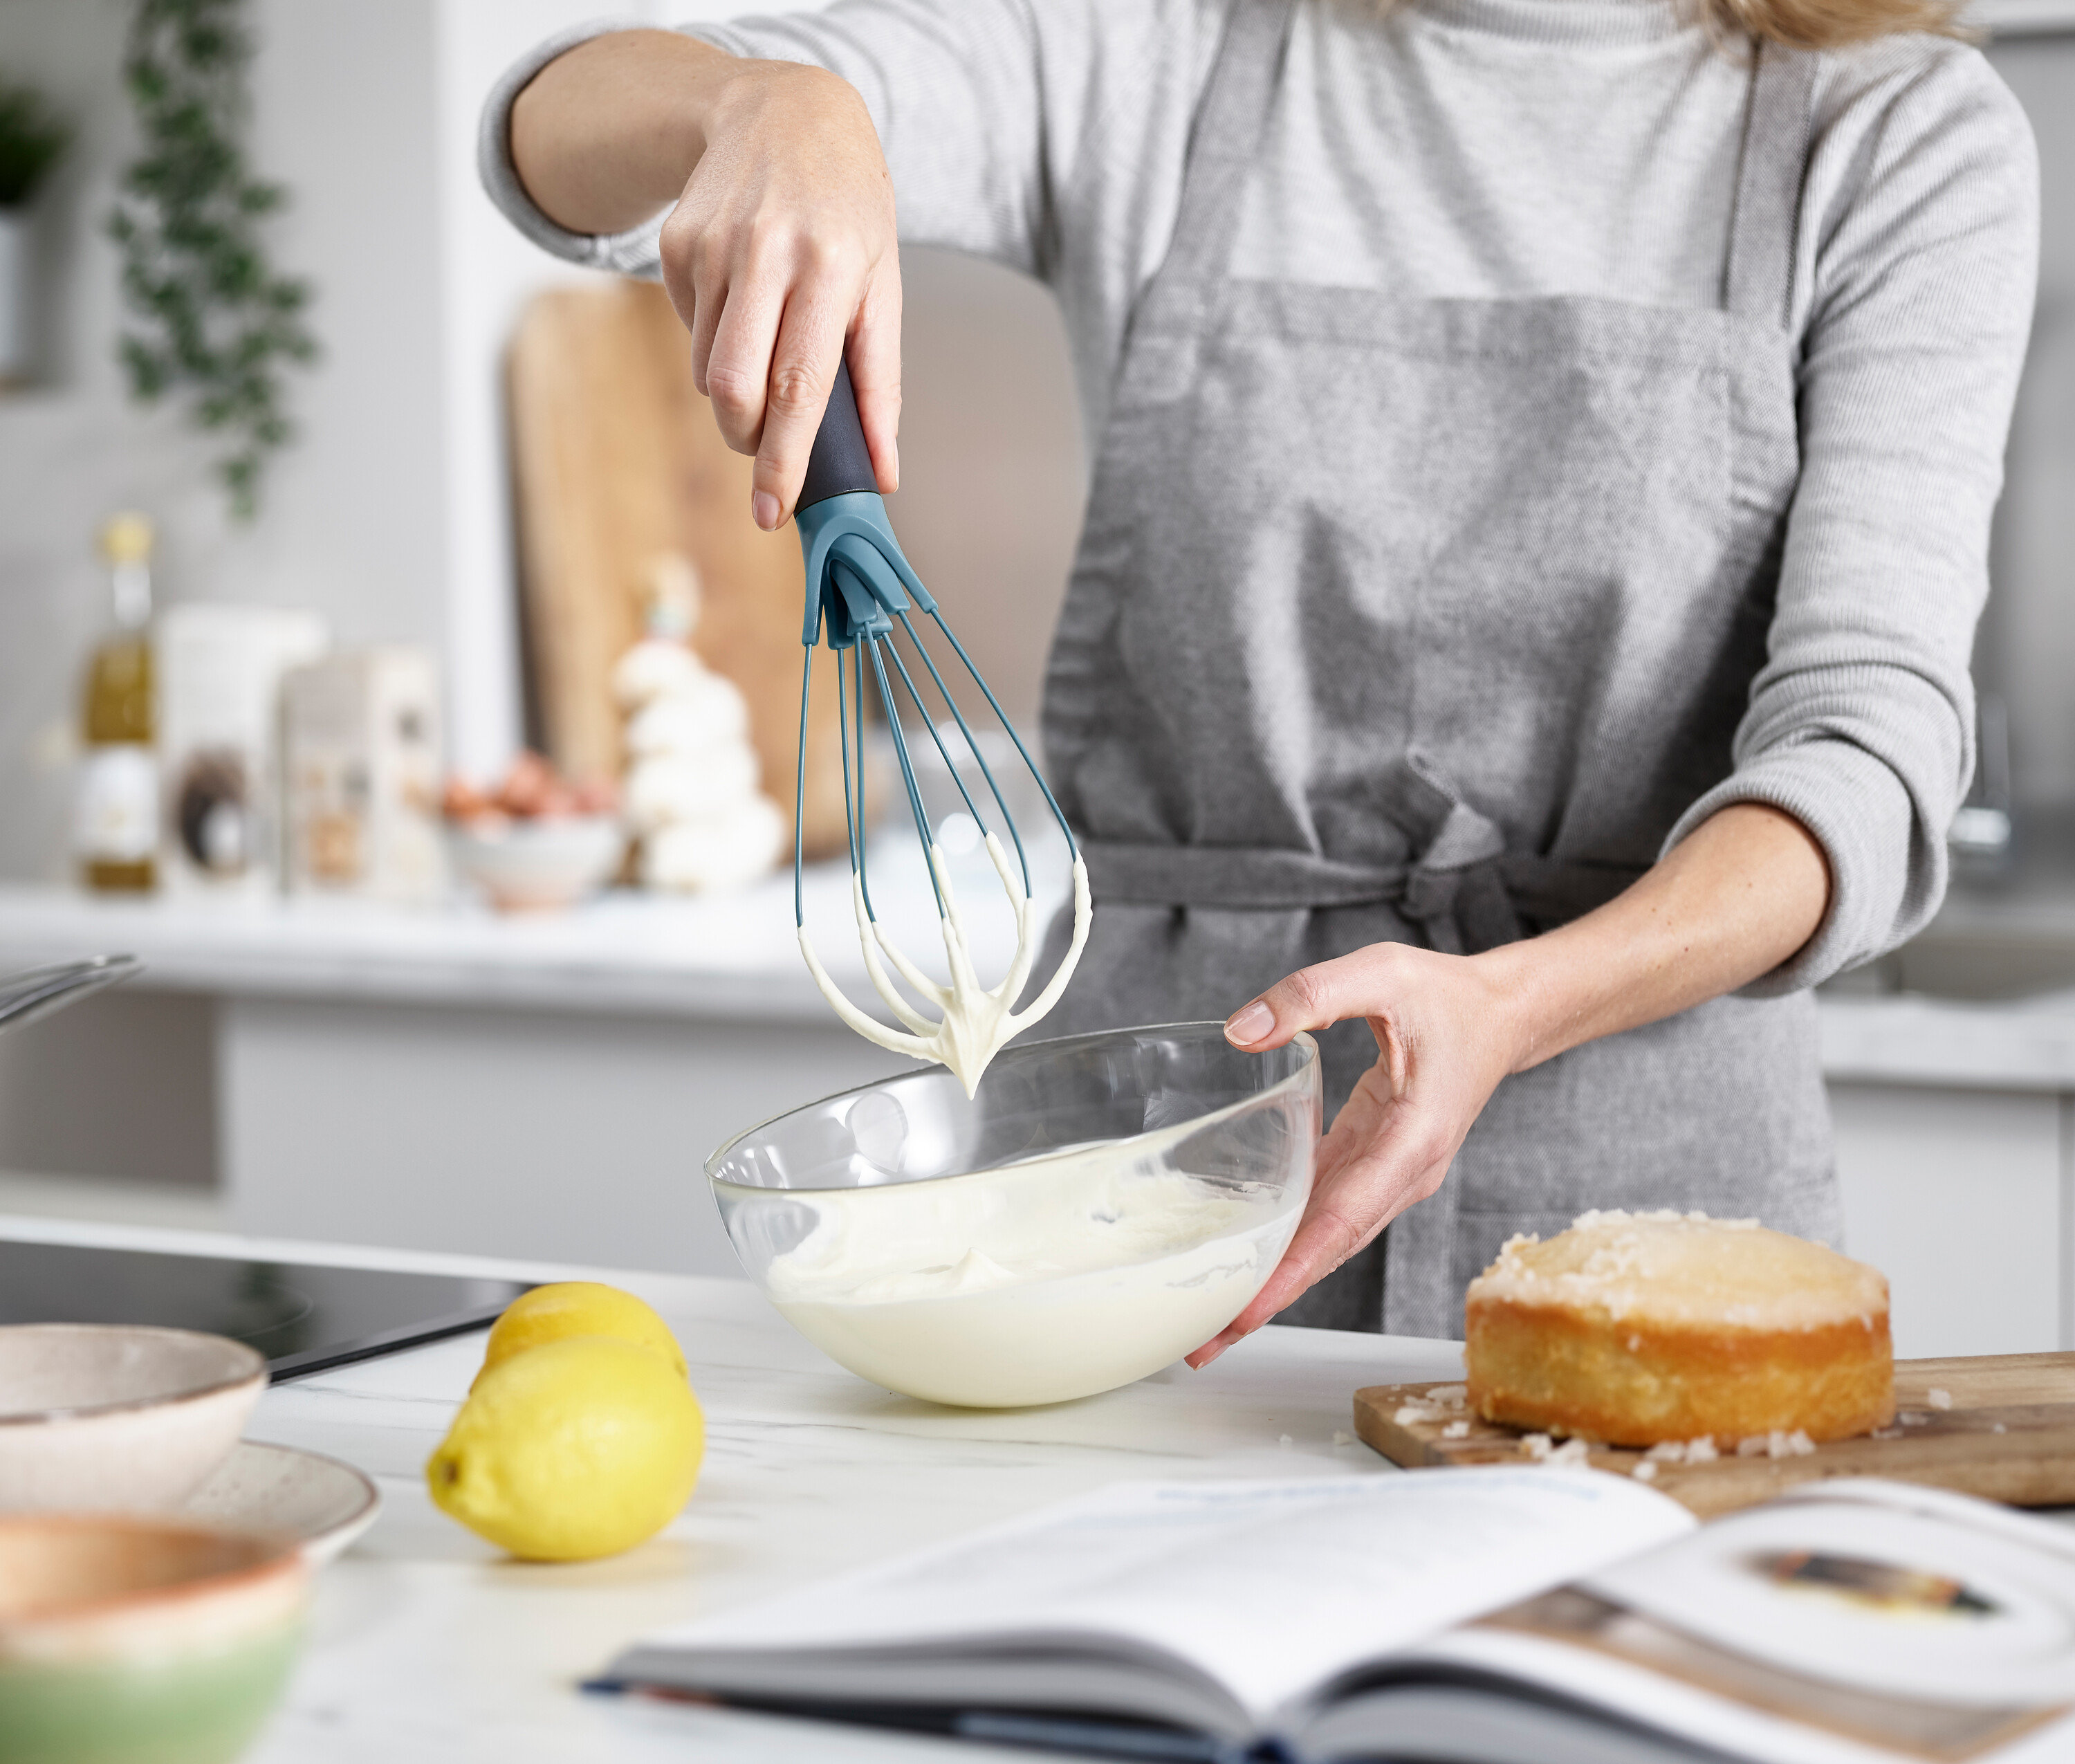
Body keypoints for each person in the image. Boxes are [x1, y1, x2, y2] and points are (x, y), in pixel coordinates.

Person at [483, 0, 2036, 1353]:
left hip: (1648, 1210)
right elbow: (552, 139)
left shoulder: (1894, 134)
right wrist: (763, 104)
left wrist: (1508, 1004)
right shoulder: (1162, 50)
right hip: (1156, 1202)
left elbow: (1864, 755)